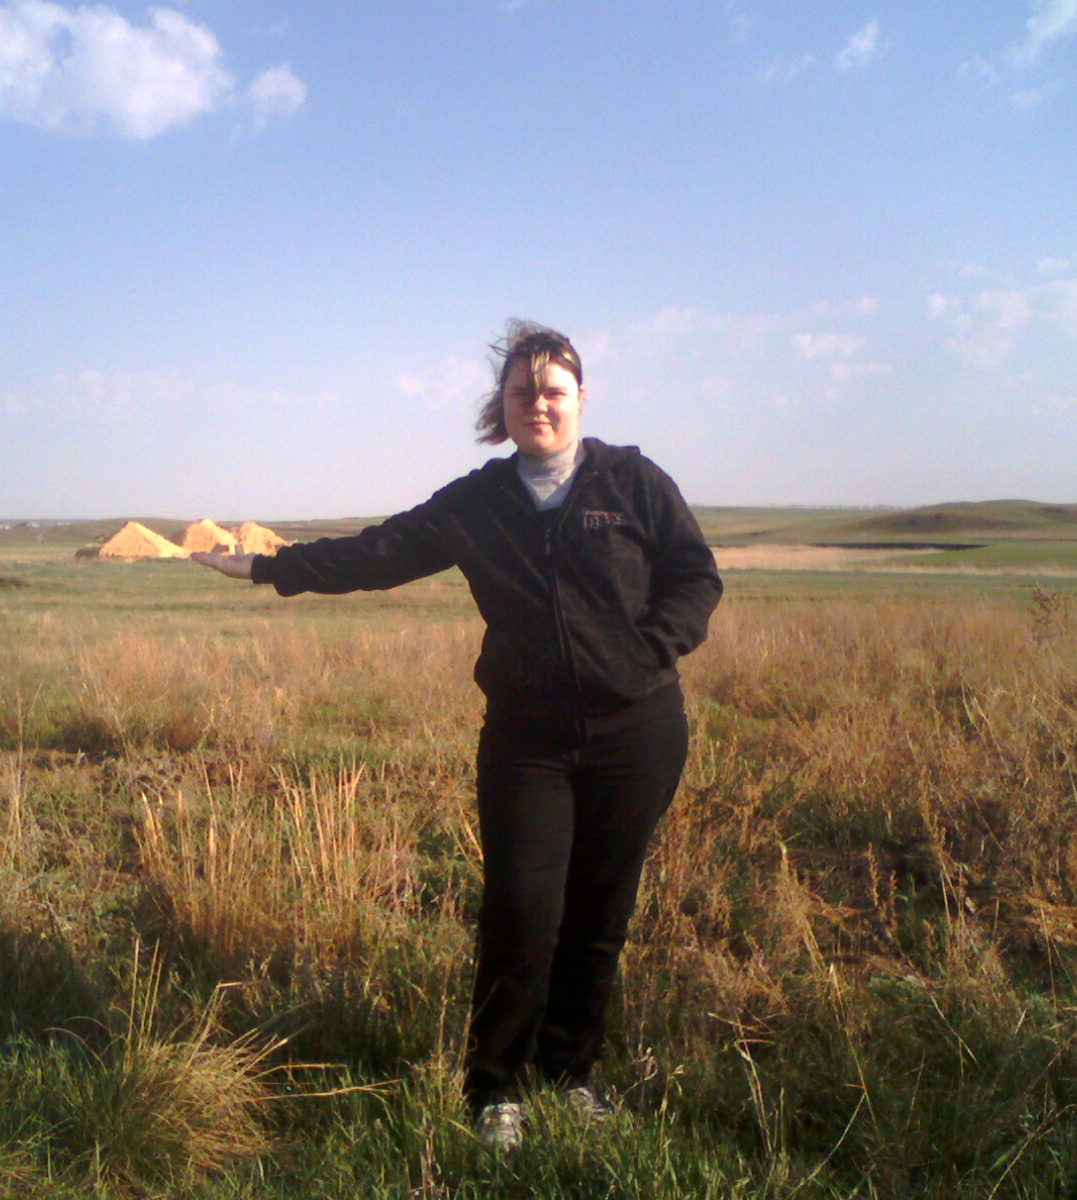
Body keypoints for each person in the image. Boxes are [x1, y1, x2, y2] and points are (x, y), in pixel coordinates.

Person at [193, 320, 721, 1150]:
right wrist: (268, 567)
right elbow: (378, 553)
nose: (538, 404)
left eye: (553, 390)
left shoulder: (632, 481)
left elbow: (695, 576)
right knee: (520, 910)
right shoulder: (478, 502)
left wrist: (645, 652)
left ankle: (571, 1074)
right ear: (501, 405)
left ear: (581, 398)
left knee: (600, 912)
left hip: (638, 732)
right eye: (522, 391)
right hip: (528, 741)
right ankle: (495, 1090)